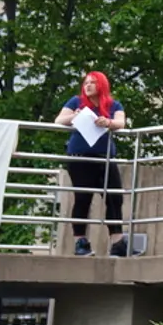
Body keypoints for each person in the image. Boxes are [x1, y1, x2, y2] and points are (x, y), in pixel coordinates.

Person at [54, 71, 128, 257]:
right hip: (80, 156)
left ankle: (117, 242)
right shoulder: (76, 102)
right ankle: (80, 241)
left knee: (114, 197)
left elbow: (121, 122)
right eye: (86, 83)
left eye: (93, 83)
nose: (88, 86)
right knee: (82, 199)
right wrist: (74, 117)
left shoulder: (113, 104)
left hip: (104, 156)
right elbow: (58, 120)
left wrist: (108, 121)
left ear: (101, 85)